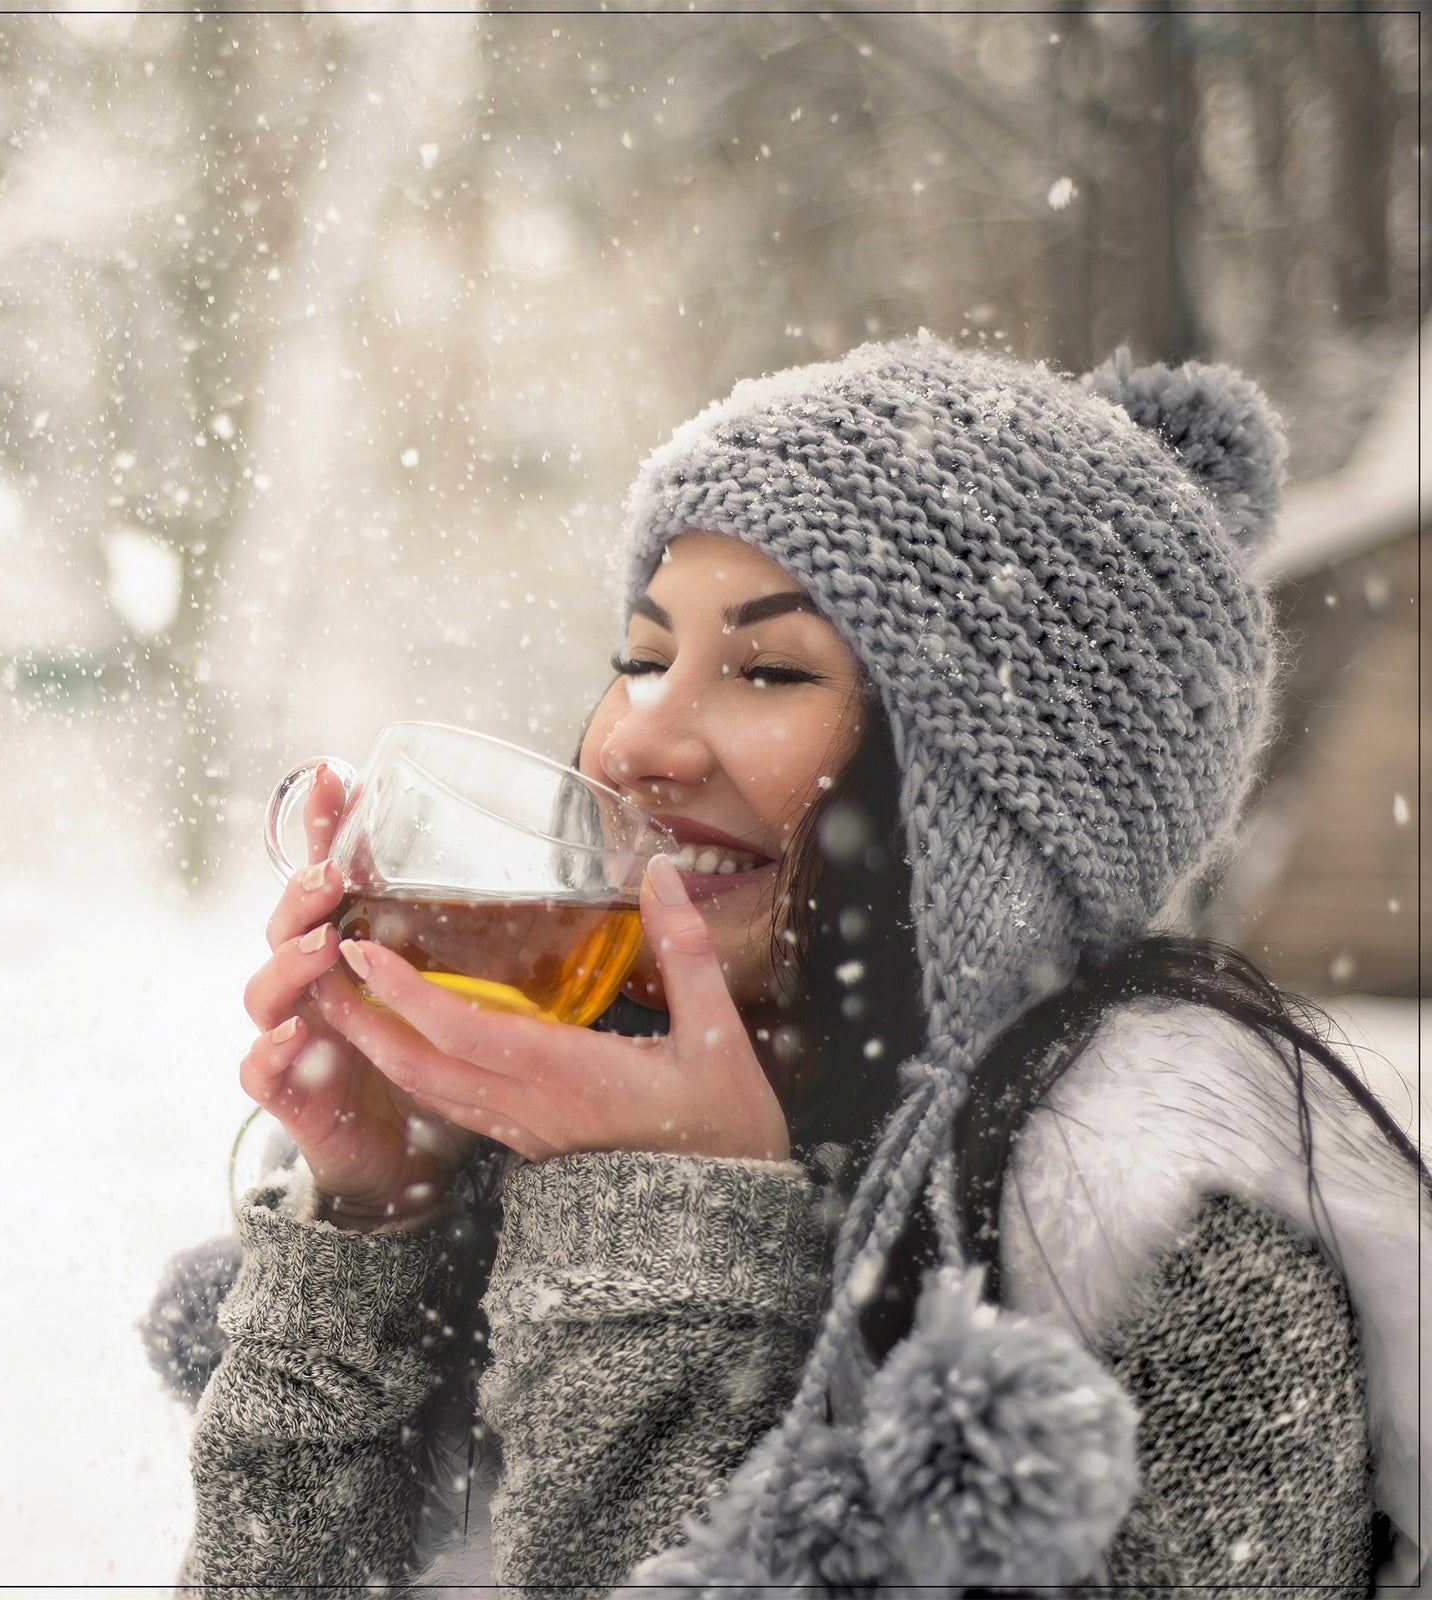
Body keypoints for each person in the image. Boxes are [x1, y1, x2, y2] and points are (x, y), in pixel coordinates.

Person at [143, 337, 1429, 1597]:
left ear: (980, 817)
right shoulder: (539, 1136)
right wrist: (377, 1217)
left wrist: (674, 1227)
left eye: (768, 668)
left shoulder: (1173, 1244)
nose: (642, 742)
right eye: (641, 659)